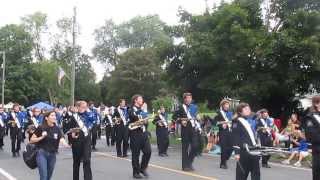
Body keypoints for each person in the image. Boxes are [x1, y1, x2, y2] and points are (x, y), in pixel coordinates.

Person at [30, 111, 69, 180]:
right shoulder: (41, 127)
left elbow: (61, 138)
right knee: (44, 176)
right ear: (46, 118)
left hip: (52, 155)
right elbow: (32, 140)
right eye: (52, 115)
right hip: (41, 153)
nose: (54, 117)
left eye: (55, 115)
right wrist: (41, 137)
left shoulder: (57, 128)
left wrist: (65, 144)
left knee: (48, 176)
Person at [64, 101, 94, 180]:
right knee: (76, 162)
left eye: (85, 107)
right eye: (83, 107)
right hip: (77, 141)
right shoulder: (72, 117)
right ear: (78, 107)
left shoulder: (88, 114)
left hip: (86, 140)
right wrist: (71, 135)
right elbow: (67, 129)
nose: (85, 108)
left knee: (87, 160)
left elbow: (93, 121)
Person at [172, 92, 202, 171]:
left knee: (195, 146)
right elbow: (174, 117)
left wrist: (198, 117)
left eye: (190, 98)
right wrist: (180, 121)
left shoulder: (194, 107)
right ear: (184, 99)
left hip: (193, 128)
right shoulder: (180, 107)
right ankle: (185, 166)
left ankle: (189, 162)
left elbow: (196, 115)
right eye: (187, 98)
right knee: (185, 148)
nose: (189, 99)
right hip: (185, 129)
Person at [232, 103, 260, 180]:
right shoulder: (236, 121)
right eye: (246, 109)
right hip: (244, 152)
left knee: (256, 174)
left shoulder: (249, 120)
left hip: (254, 150)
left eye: (249, 108)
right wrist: (237, 152)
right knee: (241, 175)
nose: (249, 110)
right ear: (240, 112)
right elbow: (235, 138)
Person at [128, 95, 151, 179]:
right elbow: (134, 117)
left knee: (148, 152)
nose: (142, 100)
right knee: (136, 154)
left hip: (144, 133)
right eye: (140, 99)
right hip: (135, 134)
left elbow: (146, 120)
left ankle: (143, 168)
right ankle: (136, 172)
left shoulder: (143, 110)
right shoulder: (130, 110)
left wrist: (146, 124)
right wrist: (142, 110)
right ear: (135, 100)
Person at [303, 95, 320, 180]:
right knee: (317, 174)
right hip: (318, 149)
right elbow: (311, 135)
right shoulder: (310, 117)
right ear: (317, 104)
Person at [214, 99, 233, 169]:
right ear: (222, 106)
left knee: (231, 147)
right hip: (222, 132)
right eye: (225, 105)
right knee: (224, 148)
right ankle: (223, 163)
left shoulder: (230, 113)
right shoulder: (219, 113)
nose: (227, 106)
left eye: (228, 105)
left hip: (230, 131)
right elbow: (215, 123)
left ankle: (225, 159)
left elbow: (232, 122)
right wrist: (222, 124)